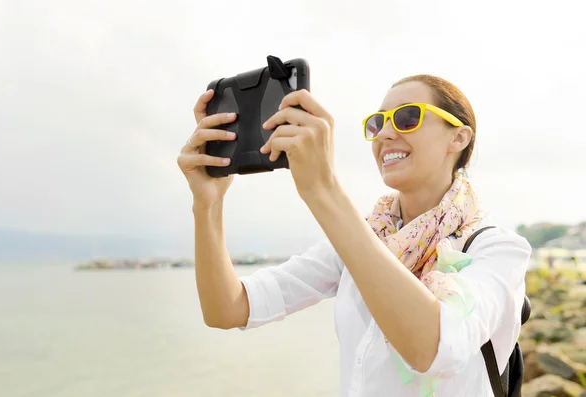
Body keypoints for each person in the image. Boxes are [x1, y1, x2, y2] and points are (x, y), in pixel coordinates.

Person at [177, 74, 532, 397]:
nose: (385, 134)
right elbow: (228, 309)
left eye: (408, 117)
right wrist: (207, 204)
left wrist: (323, 189)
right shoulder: (359, 238)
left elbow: (434, 349)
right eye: (378, 123)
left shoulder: (499, 250)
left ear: (459, 137)